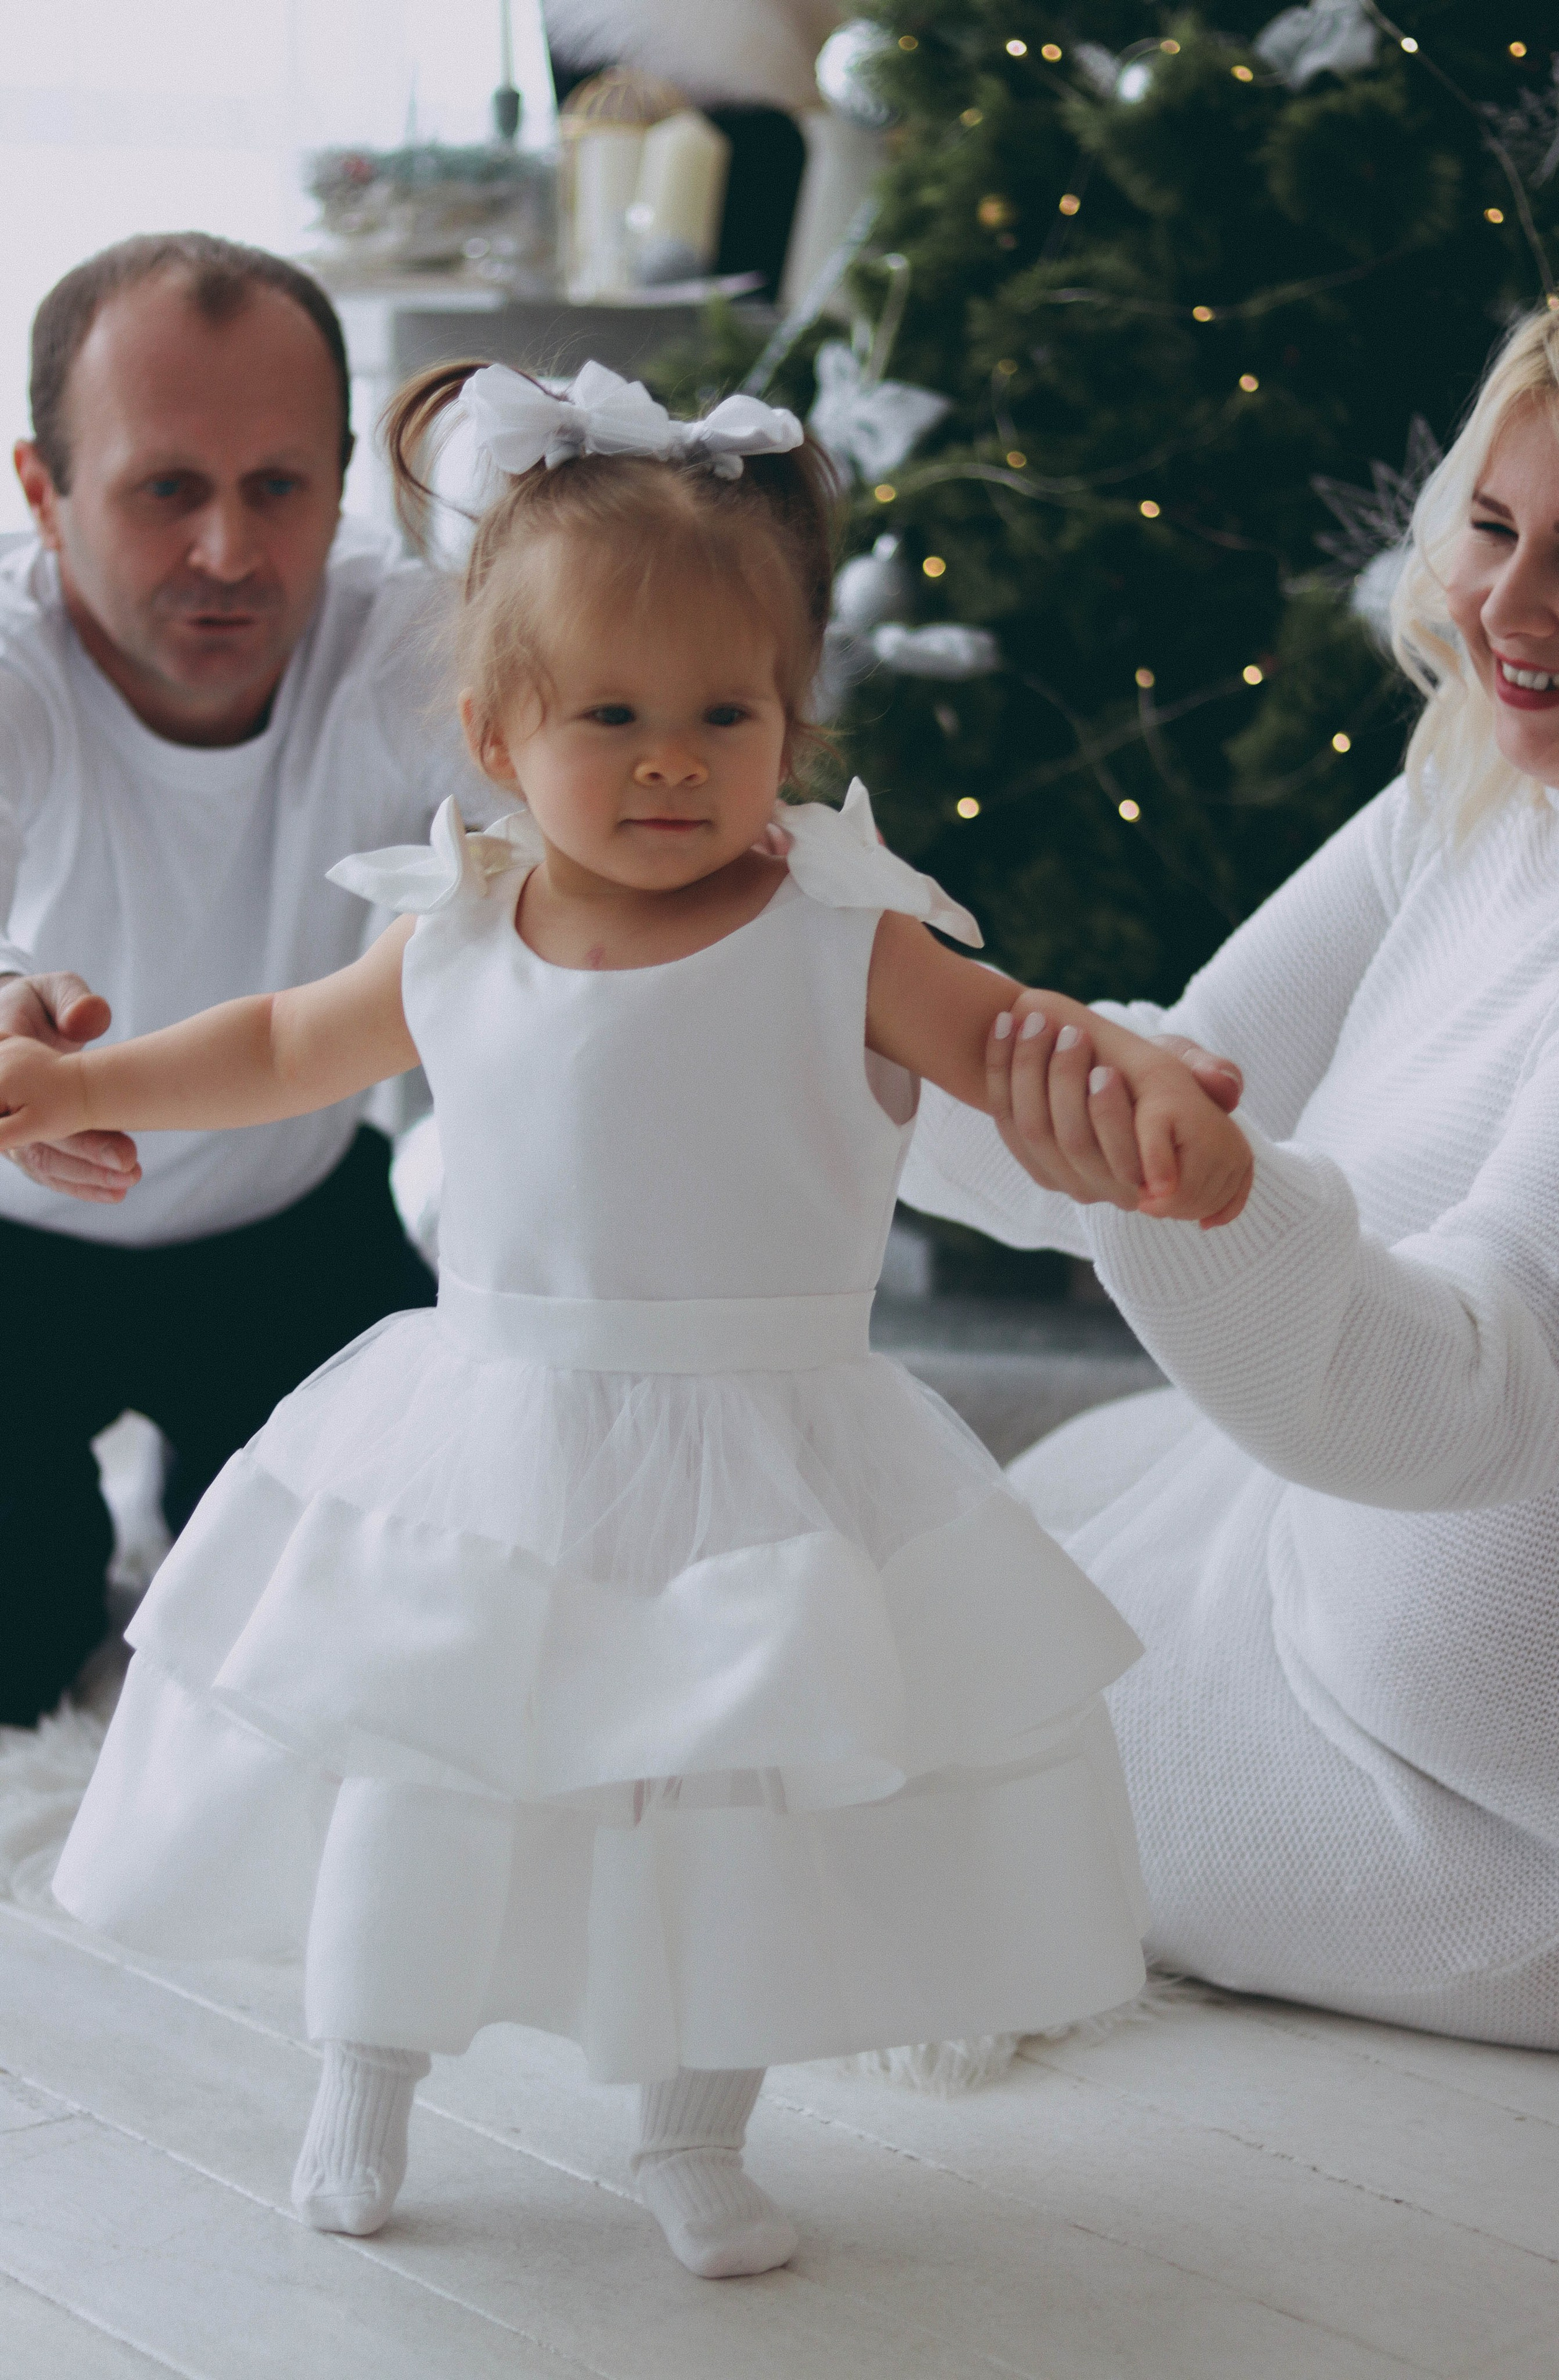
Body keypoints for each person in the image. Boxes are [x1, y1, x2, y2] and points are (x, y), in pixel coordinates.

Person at [3, 361, 1250, 2272]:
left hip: (768, 1446)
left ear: (790, 722)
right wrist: (88, 1091)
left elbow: (1023, 1047)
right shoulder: (460, 931)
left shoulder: (849, 933)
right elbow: (265, 1046)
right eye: (611, 716)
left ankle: (692, 2132)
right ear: (499, 733)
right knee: (431, 1772)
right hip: (502, 1423)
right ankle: (368, 2071)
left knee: (719, 1807)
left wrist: (1141, 1081)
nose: (672, 761)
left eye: (722, 715)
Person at [900, 282, 1559, 2053]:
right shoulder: (1480, 790)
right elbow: (1192, 1061)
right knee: (940, 1558)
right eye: (1494, 530)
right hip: (1299, 1557)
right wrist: (838, 998)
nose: (1510, 609)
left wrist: (1203, 1200)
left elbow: (1481, 1391)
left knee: (863, 1737)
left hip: (1501, 1833)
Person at [0, 233, 484, 1727]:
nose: (227, 552)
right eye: (165, 490)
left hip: (289, 1227)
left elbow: (611, 845)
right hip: (12, 1243)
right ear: (41, 490)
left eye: (278, 487)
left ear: (341, 483)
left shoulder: (408, 637)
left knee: (346, 1668)